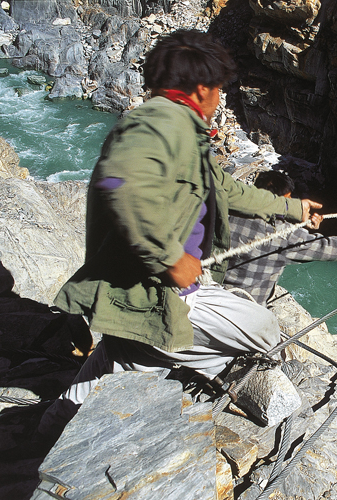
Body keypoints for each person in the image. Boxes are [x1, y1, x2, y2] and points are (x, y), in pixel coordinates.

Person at [38, 30, 322, 437]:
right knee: (264, 329)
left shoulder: (179, 132)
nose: (220, 100)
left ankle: (59, 419)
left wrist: (293, 208)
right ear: (204, 89)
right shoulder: (160, 121)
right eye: (220, 90)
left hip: (152, 287)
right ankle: (155, 358)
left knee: (127, 355)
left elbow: (229, 190)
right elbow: (122, 184)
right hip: (161, 290)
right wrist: (169, 258)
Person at [224, 171, 337, 306]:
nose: (291, 204)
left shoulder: (227, 212)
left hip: (212, 292)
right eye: (287, 200)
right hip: (245, 305)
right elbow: (330, 248)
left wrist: (299, 224)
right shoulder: (284, 235)